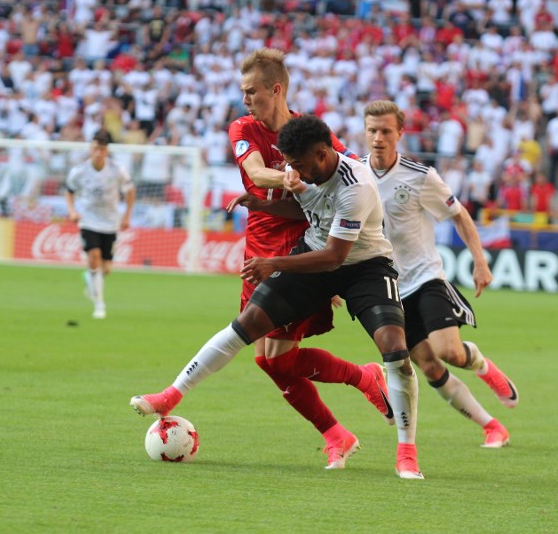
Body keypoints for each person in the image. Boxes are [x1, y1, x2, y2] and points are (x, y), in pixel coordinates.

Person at [132, 115, 424, 479]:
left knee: (394, 347)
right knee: (250, 327)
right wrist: (263, 205)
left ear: (322, 154)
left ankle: (406, 451)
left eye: (299, 166)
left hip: (364, 266)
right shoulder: (307, 169)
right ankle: (172, 394)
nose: (294, 175)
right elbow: (307, 205)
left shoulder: (356, 186)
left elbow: (335, 256)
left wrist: (273, 263)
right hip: (315, 255)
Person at [220, 47, 394, 469]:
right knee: (270, 360)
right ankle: (358, 386)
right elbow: (257, 173)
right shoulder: (243, 127)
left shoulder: (310, 132)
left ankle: (338, 428)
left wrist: (331, 264)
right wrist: (290, 176)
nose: (245, 100)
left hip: (302, 247)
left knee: (272, 356)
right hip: (260, 245)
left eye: (251, 92)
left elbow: (345, 166)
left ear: (274, 89)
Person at [360, 100, 517, 448]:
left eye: (386, 131)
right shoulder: (355, 175)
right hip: (388, 290)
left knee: (448, 351)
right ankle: (492, 426)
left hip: (425, 278)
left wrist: (480, 261)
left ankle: (482, 366)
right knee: (429, 367)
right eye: (372, 130)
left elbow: (460, 215)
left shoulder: (420, 177)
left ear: (400, 133)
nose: (378, 138)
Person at [65, 129, 136, 320]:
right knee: (94, 257)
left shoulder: (117, 169)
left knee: (106, 269)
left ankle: (90, 279)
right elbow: (69, 191)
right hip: (88, 221)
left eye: (102, 149)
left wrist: (127, 215)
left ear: (106, 150)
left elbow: (130, 191)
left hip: (110, 222)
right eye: (95, 148)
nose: (98, 152)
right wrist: (72, 210)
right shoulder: (79, 171)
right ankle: (99, 304)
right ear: (90, 148)